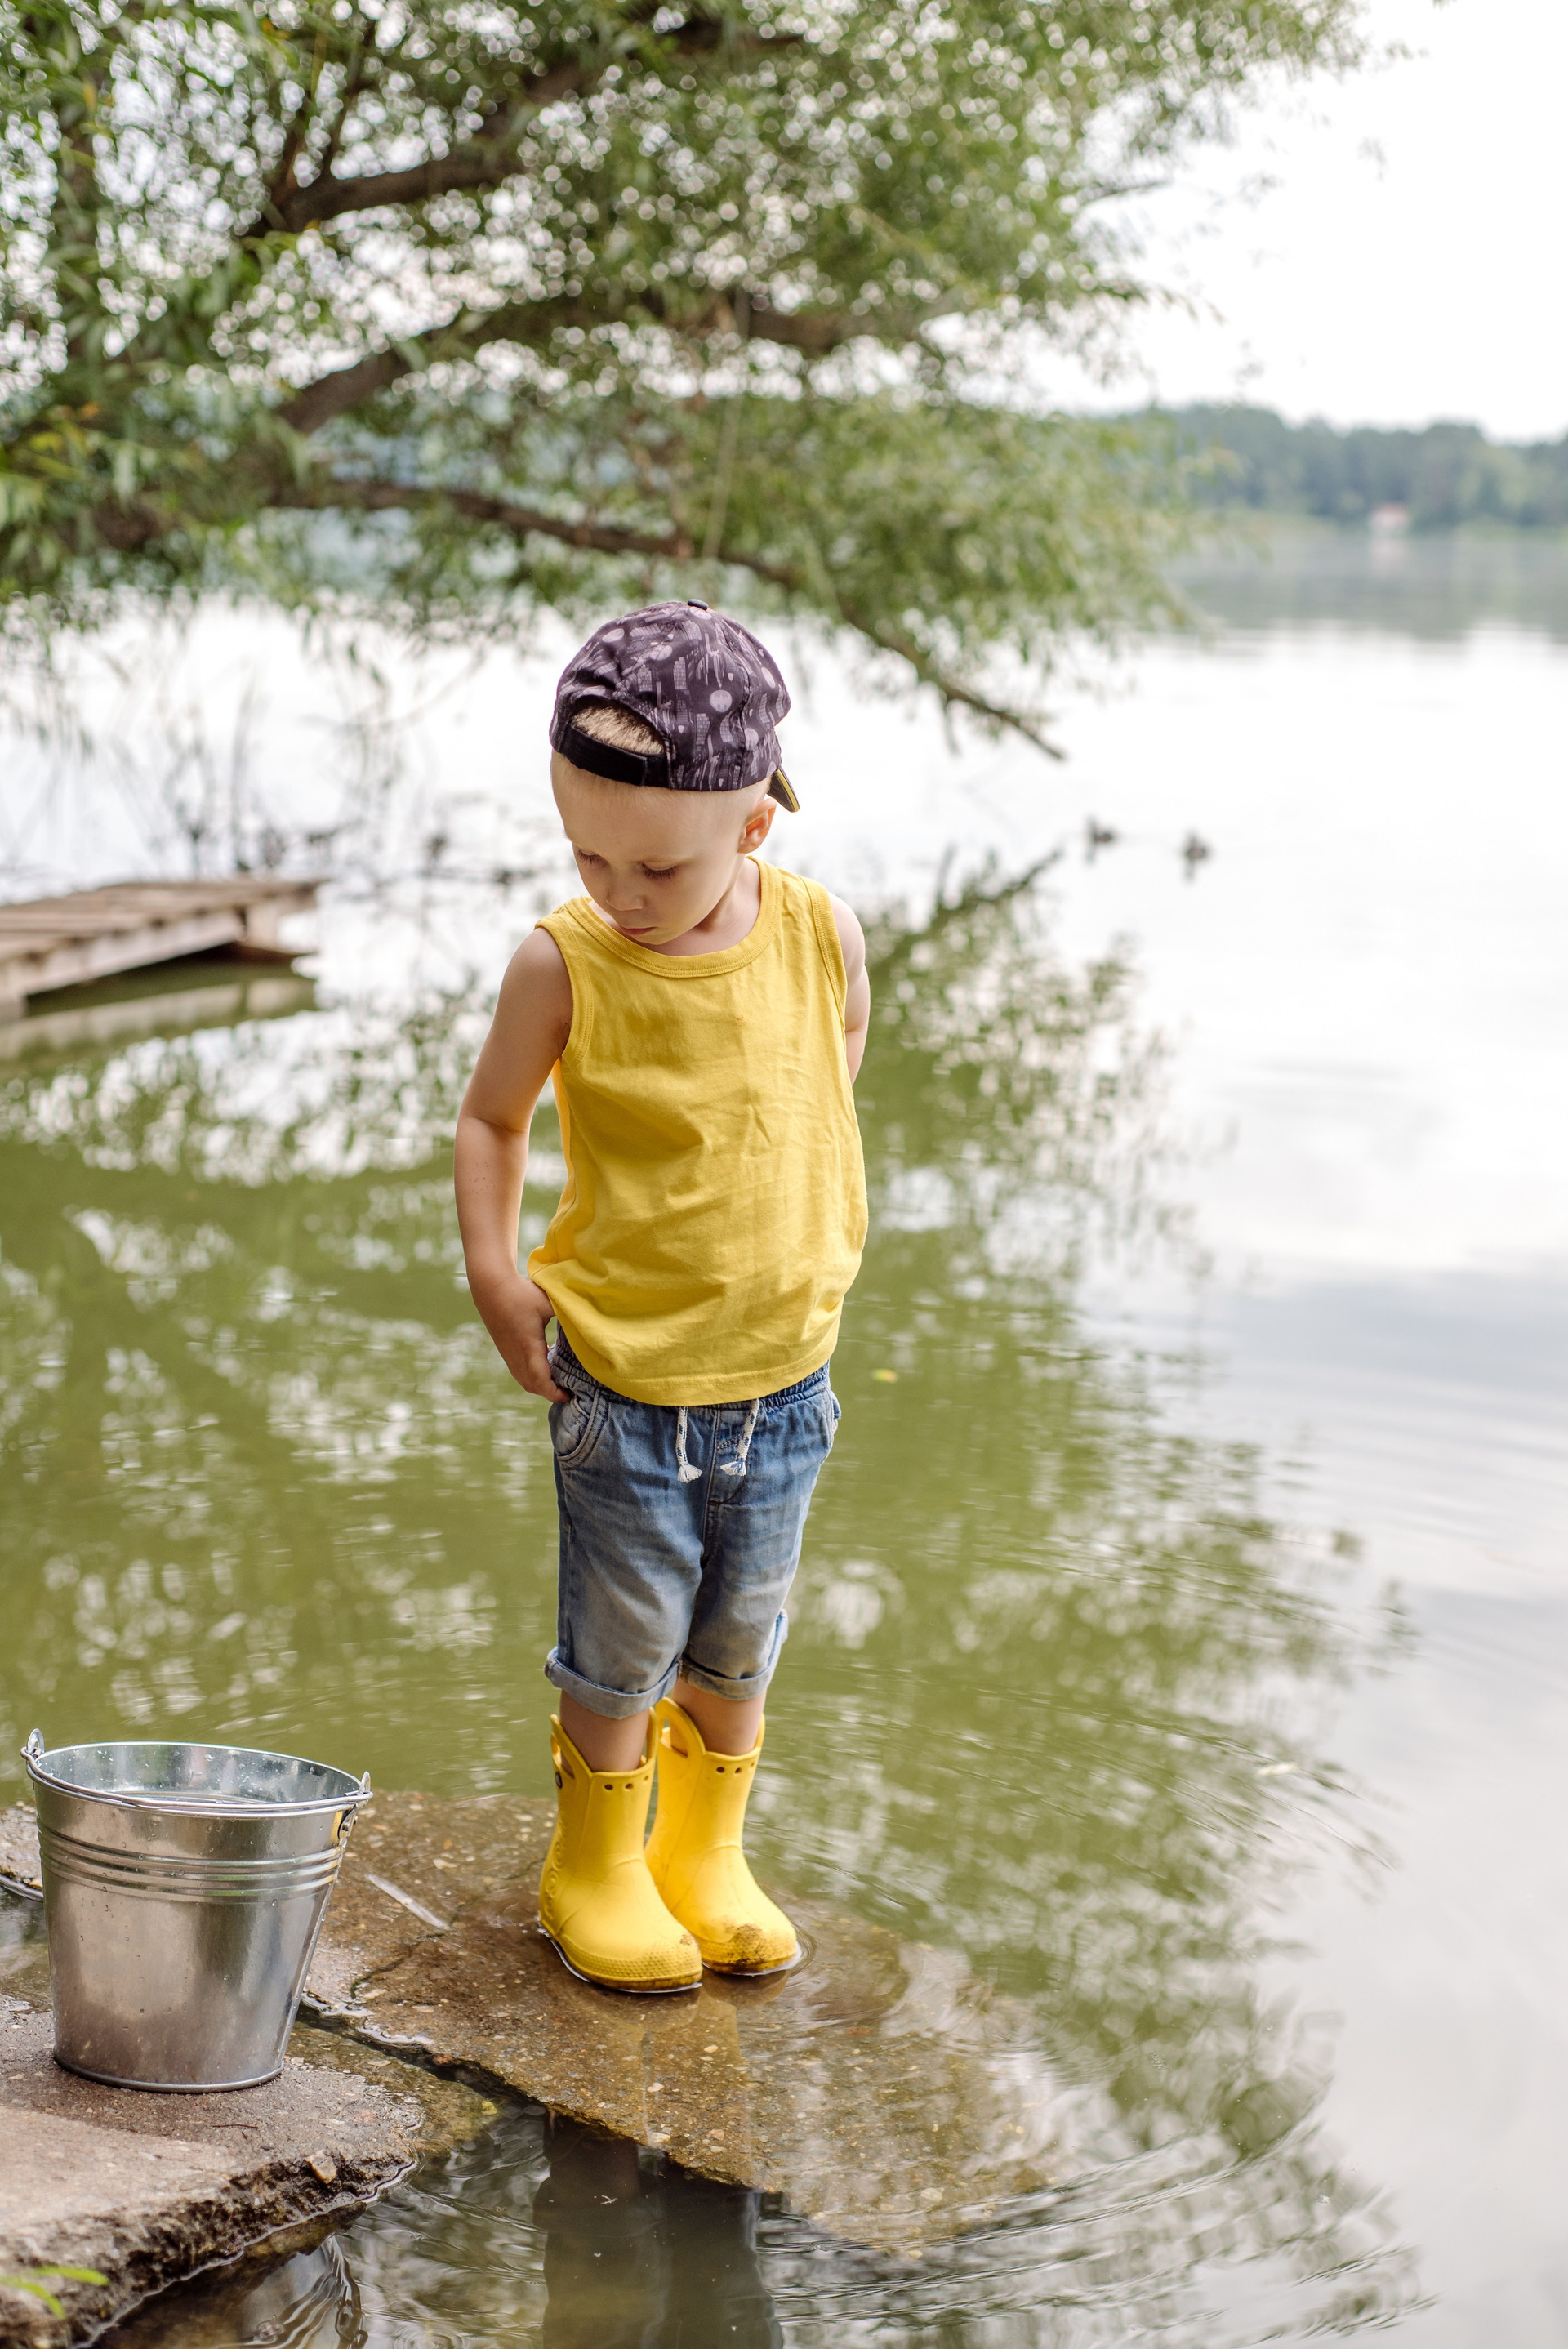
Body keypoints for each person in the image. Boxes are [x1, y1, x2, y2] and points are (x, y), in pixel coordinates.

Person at [454, 600, 869, 1994]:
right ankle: (594, 1865)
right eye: (587, 854)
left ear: (753, 826)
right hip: (625, 1384)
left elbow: (828, 1071)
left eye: (655, 865)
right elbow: (492, 1121)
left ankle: (704, 1854)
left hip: (786, 1379)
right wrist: (497, 1273)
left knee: (741, 1637)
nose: (619, 891)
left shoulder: (821, 935)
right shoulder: (565, 962)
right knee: (624, 1641)